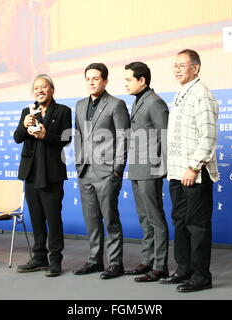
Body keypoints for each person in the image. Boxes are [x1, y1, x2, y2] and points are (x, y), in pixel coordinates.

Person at [159, 49, 219, 292]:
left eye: (182, 65)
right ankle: (183, 270)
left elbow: (208, 136)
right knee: (181, 223)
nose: (177, 69)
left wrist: (193, 167)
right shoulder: (181, 94)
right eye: (175, 65)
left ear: (196, 67)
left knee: (197, 225)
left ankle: (201, 276)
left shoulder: (202, 94)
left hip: (194, 173)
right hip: (176, 173)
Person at [73, 63, 130, 279]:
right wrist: (79, 164)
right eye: (88, 78)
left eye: (96, 78)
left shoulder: (116, 104)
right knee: (91, 220)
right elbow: (78, 136)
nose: (91, 82)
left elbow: (124, 137)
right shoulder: (79, 106)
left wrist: (117, 169)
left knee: (110, 219)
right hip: (85, 171)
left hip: (107, 172)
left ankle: (115, 264)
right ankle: (94, 261)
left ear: (105, 81)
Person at [14, 74, 72, 277]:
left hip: (51, 173)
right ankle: (39, 258)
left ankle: (55, 260)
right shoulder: (27, 111)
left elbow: (66, 138)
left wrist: (46, 136)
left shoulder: (63, 111)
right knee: (36, 218)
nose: (40, 90)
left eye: (44, 87)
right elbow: (17, 138)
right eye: (36, 88)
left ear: (52, 90)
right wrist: (24, 124)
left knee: (53, 218)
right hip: (31, 173)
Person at [123, 62, 170, 282]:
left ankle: (160, 266)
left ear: (142, 80)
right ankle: (148, 260)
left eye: (128, 79)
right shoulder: (138, 102)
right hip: (136, 169)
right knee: (144, 219)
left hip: (150, 171)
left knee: (155, 219)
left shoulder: (155, 103)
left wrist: (163, 170)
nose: (125, 84)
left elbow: (166, 139)